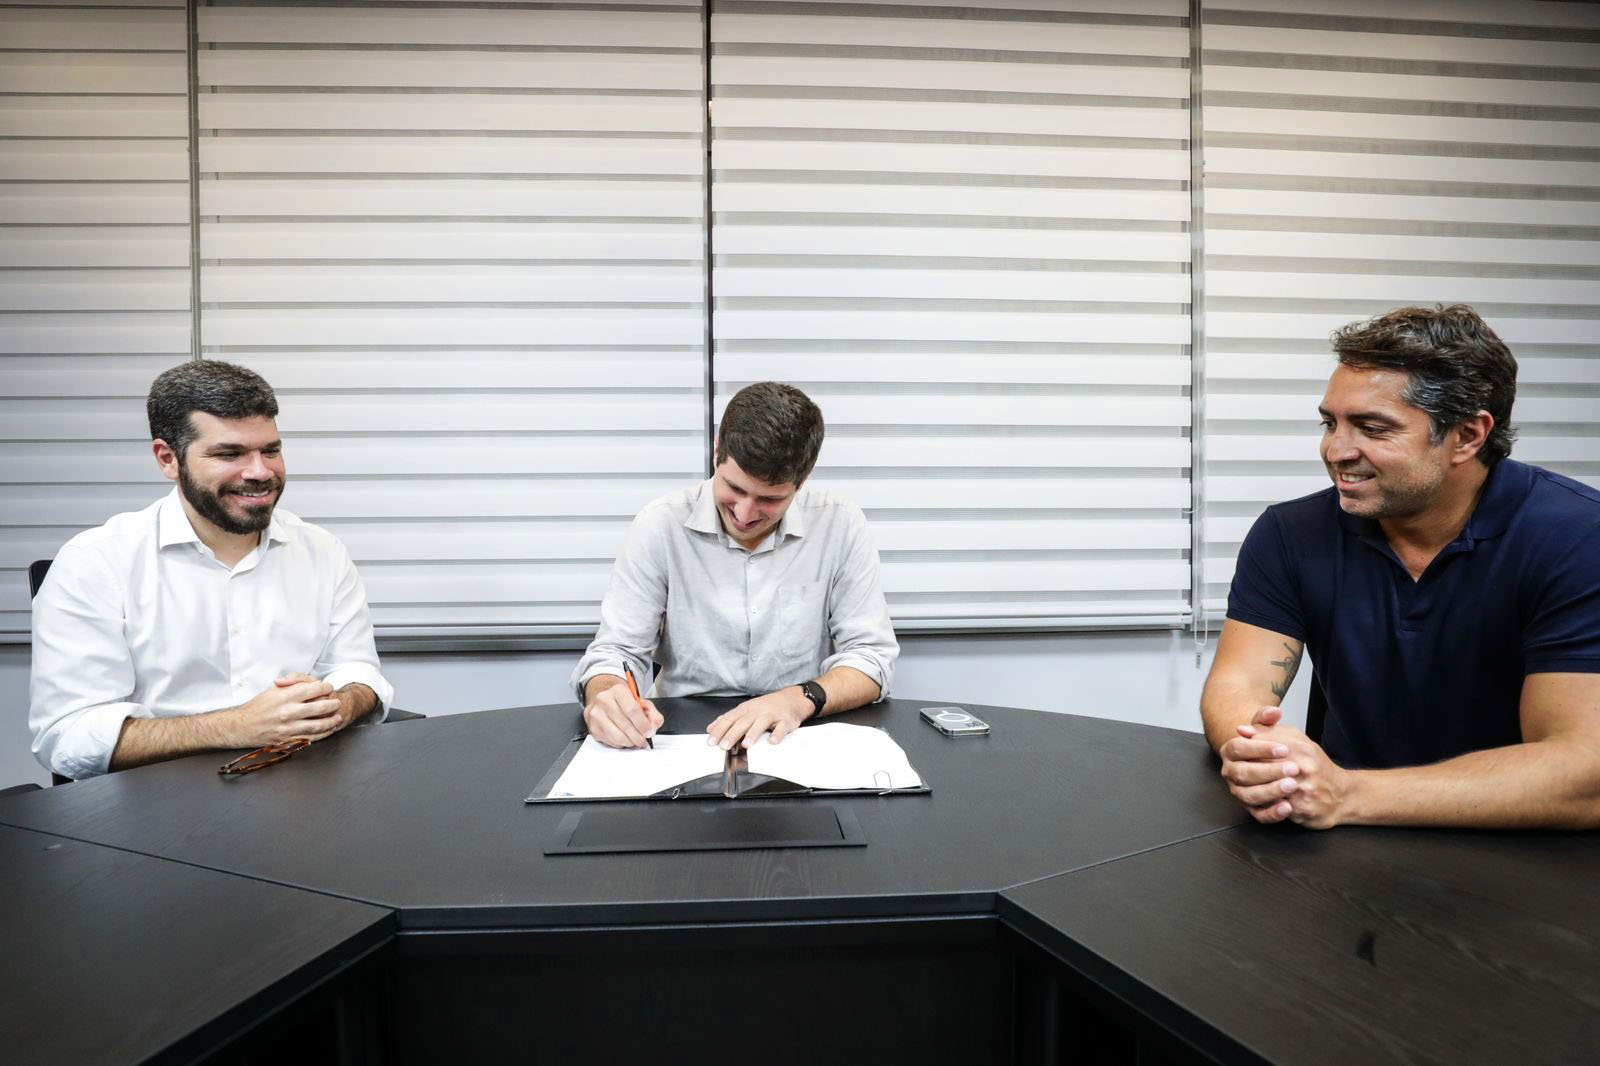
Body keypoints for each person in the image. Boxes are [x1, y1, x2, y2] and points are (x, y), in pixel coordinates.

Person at [1201, 304, 1600, 830]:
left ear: (1467, 436)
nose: (1336, 450)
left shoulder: (1578, 537)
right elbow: (1238, 683)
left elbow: (1583, 769)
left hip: (1521, 845)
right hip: (1342, 838)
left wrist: (1348, 794)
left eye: (1371, 428)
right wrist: (1264, 756)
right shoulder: (1290, 533)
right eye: (1330, 423)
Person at [30, 360, 393, 780]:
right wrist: (237, 725)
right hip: (156, 800)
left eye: (270, 450)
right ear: (168, 459)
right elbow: (68, 737)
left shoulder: (322, 550)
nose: (260, 472)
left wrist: (340, 705)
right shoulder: (94, 563)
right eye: (229, 454)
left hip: (299, 790)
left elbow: (359, 672)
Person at [572, 381, 898, 750]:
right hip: (682, 736)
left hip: (799, 730)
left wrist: (798, 699)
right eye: (735, 488)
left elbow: (871, 659)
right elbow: (615, 652)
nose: (744, 514)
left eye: (769, 499)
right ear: (717, 452)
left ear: (802, 481)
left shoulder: (839, 524)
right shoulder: (659, 525)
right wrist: (606, 694)